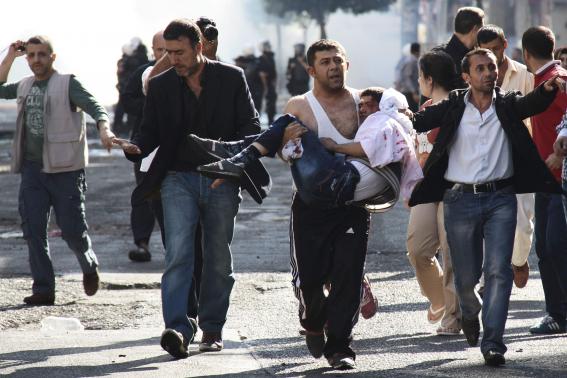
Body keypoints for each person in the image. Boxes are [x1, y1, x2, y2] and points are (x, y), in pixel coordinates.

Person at [113, 19, 261, 358]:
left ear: (199, 47)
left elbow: (252, 126)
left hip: (221, 177)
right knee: (178, 253)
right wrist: (135, 146)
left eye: (179, 52)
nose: (172, 59)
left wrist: (232, 162)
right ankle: (178, 328)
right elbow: (148, 131)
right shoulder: (161, 85)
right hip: (176, 177)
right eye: (167, 52)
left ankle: (211, 327)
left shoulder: (231, 77)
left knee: (218, 257)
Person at [409, 48, 564, 366]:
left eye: (492, 67)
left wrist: (547, 88)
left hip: (500, 200)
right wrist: (396, 114)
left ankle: (493, 341)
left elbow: (530, 103)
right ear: (466, 77)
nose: (488, 73)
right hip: (459, 200)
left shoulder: (507, 104)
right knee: (466, 278)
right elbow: (420, 119)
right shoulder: (454, 104)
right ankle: (469, 309)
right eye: (480, 69)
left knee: (498, 272)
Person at [0, 36, 114, 305]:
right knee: (33, 230)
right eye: (31, 55)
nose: (36, 60)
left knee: (72, 229)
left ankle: (88, 264)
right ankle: (43, 289)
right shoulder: (25, 85)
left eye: (42, 54)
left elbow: (95, 107)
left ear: (53, 57)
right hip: (33, 170)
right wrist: (10, 56)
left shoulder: (67, 83)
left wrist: (105, 129)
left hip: (65, 170)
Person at [192, 87, 421, 208]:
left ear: (382, 106)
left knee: (289, 122)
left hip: (341, 181)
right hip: (334, 189)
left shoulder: (384, 121)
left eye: (368, 105)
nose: (362, 109)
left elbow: (366, 148)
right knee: (286, 126)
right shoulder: (387, 123)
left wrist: (335, 146)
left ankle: (237, 155)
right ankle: (238, 156)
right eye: (360, 105)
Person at [406, 50, 461, 336]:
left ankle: (453, 318)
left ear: (429, 78)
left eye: (420, 76)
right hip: (425, 189)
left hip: (453, 188)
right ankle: (440, 300)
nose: (418, 81)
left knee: (452, 254)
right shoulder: (426, 107)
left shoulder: (459, 106)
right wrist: (410, 186)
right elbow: (416, 151)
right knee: (417, 250)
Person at [477, 24, 535, 290]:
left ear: (505, 45)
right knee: (488, 221)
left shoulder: (523, 74)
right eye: (486, 50)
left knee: (523, 224)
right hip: (485, 160)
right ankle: (494, 275)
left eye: (497, 48)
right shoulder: (471, 77)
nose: (493, 54)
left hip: (520, 158)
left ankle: (519, 261)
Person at [521, 26, 567, 335]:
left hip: (560, 180)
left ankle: (559, 312)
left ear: (525, 53)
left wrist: (561, 155)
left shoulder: (558, 82)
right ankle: (555, 313)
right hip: (544, 180)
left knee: (554, 247)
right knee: (545, 248)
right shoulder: (544, 80)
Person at [120, 31, 167, 263]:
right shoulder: (143, 73)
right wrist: (152, 105)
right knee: (145, 192)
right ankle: (142, 243)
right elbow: (127, 100)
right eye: (160, 50)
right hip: (146, 145)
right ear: (153, 50)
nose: (165, 55)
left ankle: (176, 248)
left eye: (170, 50)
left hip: (177, 146)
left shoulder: (186, 73)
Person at [432, 6, 484, 89]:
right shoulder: (439, 57)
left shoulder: (480, 54)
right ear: (475, 29)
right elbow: (430, 95)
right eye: (482, 28)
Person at [395, 42, 420, 112]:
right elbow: (407, 77)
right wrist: (414, 92)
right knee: (412, 112)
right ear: (417, 51)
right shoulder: (412, 61)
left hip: (409, 92)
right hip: (409, 93)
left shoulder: (409, 60)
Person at [258, 41, 278, 124]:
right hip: (263, 84)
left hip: (271, 83)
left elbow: (274, 71)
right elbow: (262, 74)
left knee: (271, 102)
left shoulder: (271, 57)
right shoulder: (261, 58)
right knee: (259, 103)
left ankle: (271, 120)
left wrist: (274, 83)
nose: (267, 48)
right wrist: (265, 86)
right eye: (266, 46)